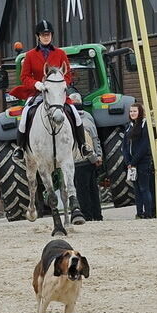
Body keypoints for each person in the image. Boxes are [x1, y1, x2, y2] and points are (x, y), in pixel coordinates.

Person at [10, 20, 90, 160]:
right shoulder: (30, 55)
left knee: (75, 114)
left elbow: (67, 74)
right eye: (43, 34)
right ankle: (21, 148)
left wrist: (60, 85)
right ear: (38, 36)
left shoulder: (60, 53)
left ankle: (83, 146)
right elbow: (24, 77)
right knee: (25, 115)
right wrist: (36, 84)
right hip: (38, 93)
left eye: (48, 34)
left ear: (51, 36)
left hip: (58, 94)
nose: (46, 37)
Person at [69, 93, 103, 222]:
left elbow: (87, 142)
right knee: (93, 189)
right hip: (90, 161)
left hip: (80, 161)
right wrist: (98, 156)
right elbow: (95, 139)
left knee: (83, 191)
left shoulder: (73, 122)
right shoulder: (88, 117)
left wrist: (94, 157)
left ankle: (87, 216)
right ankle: (97, 215)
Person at [124, 102, 155, 219]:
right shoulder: (128, 126)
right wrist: (128, 161)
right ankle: (139, 212)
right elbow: (125, 146)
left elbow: (144, 145)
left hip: (142, 162)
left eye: (135, 111)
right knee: (136, 189)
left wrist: (134, 161)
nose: (132, 113)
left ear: (140, 112)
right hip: (131, 164)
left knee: (144, 188)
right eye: (131, 111)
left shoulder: (144, 125)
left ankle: (148, 213)